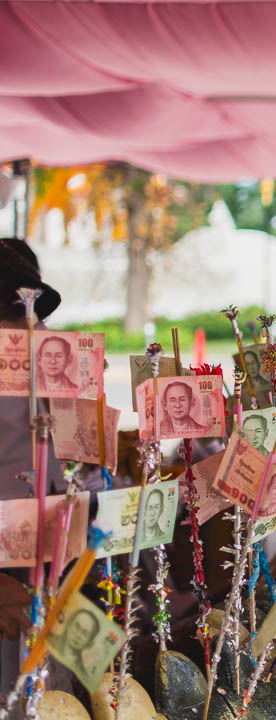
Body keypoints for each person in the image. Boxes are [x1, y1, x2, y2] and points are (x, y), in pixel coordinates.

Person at [0, 239, 64, 698]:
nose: (33, 327)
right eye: (15, 313)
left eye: (36, 315)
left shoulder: (49, 363)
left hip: (46, 562)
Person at [48, 608, 99, 678]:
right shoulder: (48, 640)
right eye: (77, 626)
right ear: (69, 624)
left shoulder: (81, 674)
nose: (78, 635)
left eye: (85, 633)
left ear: (89, 643)